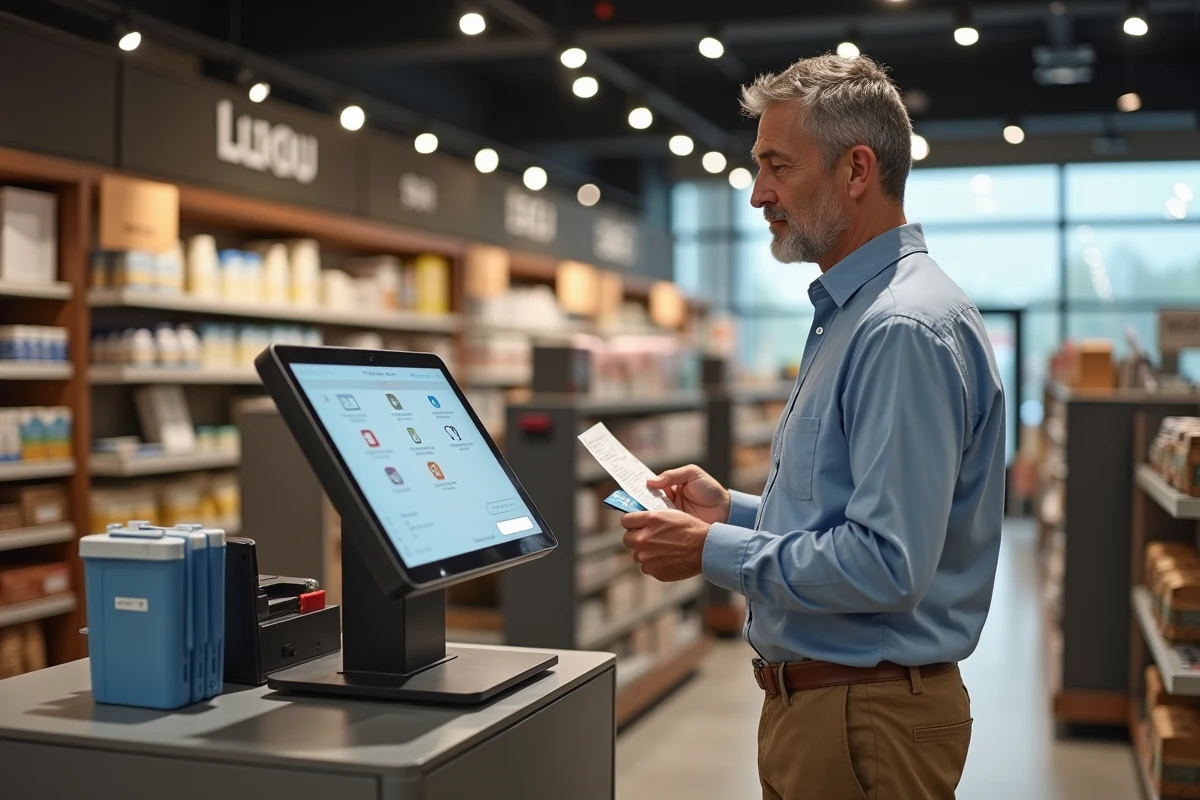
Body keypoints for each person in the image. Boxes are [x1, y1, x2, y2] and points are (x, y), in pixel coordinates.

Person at [620, 54, 1005, 800]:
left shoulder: (901, 329)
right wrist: (727, 510)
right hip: (835, 709)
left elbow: (886, 564)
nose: (759, 193)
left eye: (777, 165)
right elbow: (843, 518)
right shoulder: (853, 316)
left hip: (863, 721)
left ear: (856, 170)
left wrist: (712, 551)